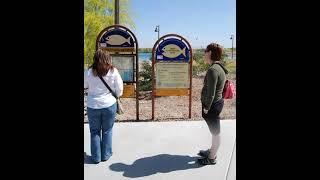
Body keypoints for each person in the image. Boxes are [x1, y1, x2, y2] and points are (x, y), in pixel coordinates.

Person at [84, 49, 123, 164]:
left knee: (94, 131)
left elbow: (85, 85)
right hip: (109, 105)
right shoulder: (113, 71)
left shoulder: (89, 72)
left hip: (93, 105)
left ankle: (96, 157)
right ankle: (106, 155)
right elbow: (119, 89)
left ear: (95, 59)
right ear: (107, 59)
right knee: (107, 130)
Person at [197, 43, 227, 165]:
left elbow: (211, 93)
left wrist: (206, 108)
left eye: (205, 51)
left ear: (210, 53)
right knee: (215, 131)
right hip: (217, 103)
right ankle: (212, 151)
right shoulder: (219, 67)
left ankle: (212, 157)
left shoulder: (213, 70)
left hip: (213, 105)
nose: (204, 53)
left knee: (215, 132)